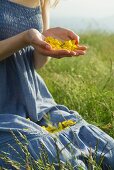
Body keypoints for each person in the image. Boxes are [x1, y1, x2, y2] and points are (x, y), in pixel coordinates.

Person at [0, 0, 114, 169]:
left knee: (105, 147)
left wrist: (46, 44)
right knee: (60, 158)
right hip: (4, 107)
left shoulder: (42, 1)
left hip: (35, 100)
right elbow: (27, 38)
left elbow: (36, 63)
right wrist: (26, 37)